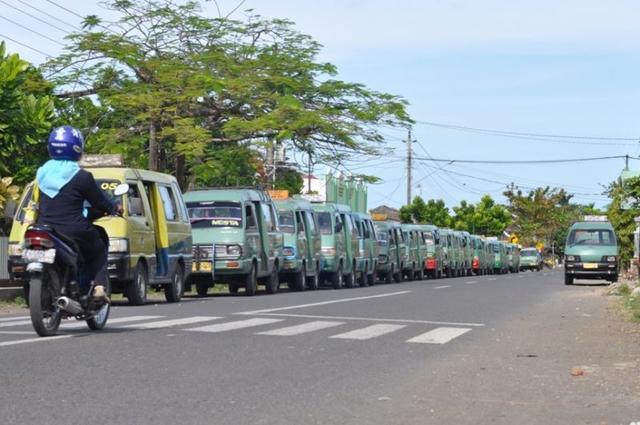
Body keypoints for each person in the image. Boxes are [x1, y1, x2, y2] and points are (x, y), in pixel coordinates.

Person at [35, 125, 120, 302]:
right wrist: (115, 207)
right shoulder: (82, 177)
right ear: (77, 148)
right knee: (99, 243)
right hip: (73, 230)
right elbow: (100, 201)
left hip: (44, 228)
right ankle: (98, 287)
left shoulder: (42, 173)